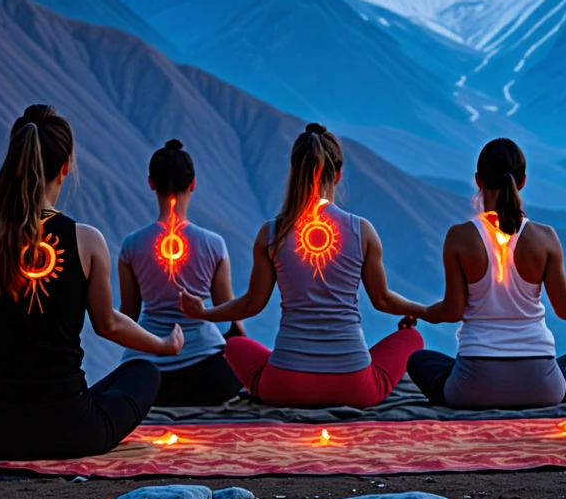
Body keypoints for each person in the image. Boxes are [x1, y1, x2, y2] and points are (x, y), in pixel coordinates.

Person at [0, 105, 184, 460]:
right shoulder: (87, 241)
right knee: (144, 372)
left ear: (13, 164)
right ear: (64, 169)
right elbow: (108, 325)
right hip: (71, 431)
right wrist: (162, 345)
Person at [179, 123, 426, 408]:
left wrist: (205, 313)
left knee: (234, 344)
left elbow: (250, 306)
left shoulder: (272, 233)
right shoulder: (362, 231)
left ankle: (272, 379)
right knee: (412, 338)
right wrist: (423, 311)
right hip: (355, 387)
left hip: (284, 386)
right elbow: (382, 300)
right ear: (338, 175)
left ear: (294, 171)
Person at [406, 137, 566, 409]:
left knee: (420, 361)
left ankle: (463, 386)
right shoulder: (545, 237)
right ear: (522, 182)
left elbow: (451, 312)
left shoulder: (459, 237)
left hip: (474, 386)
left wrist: (419, 309)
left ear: (478, 180)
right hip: (542, 386)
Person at [118, 139, 242, 406]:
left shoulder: (131, 244)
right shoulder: (214, 243)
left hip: (149, 374)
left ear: (151, 183)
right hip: (207, 373)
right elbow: (228, 315)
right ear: (193, 184)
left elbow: (127, 315)